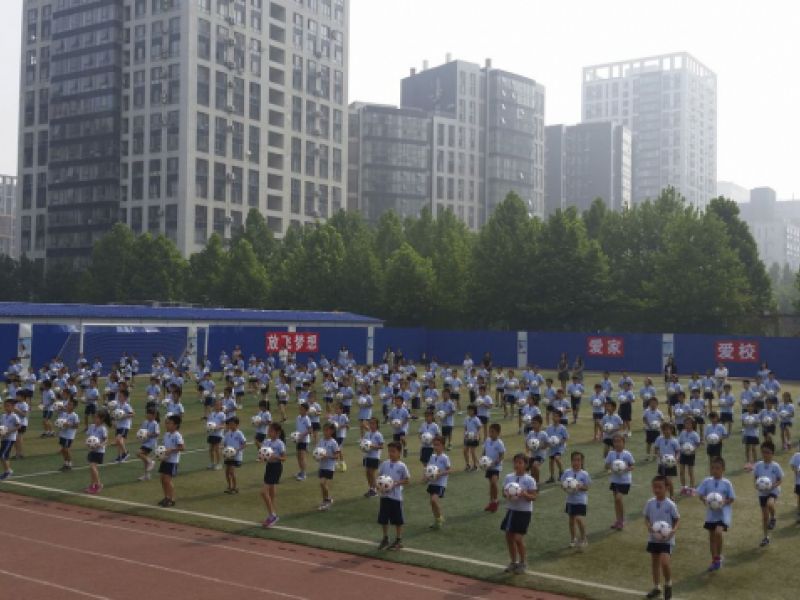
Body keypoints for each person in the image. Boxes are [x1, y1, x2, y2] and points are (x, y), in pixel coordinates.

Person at [500, 453, 538, 574]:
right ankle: (513, 562)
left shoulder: (529, 480)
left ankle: (523, 563)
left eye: (520, 463)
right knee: (509, 537)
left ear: (526, 465)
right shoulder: (508, 477)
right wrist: (507, 494)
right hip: (511, 510)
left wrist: (524, 494)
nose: (517, 465)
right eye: (515, 462)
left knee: (518, 538)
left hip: (524, 512)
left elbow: (534, 497)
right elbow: (503, 492)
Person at [643, 475, 680, 600]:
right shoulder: (650, 503)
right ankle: (656, 587)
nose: (657, 490)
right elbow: (646, 517)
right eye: (655, 487)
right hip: (653, 538)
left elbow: (677, 519)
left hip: (666, 539)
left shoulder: (670, 504)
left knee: (664, 562)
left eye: (660, 487)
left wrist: (674, 530)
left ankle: (668, 583)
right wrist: (648, 526)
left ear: (667, 488)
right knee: (655, 563)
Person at [696, 456, 735, 572]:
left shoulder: (727, 483)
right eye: (712, 468)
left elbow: (732, 498)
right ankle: (715, 560)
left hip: (723, 514)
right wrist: (704, 499)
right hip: (711, 515)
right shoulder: (707, 481)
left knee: (718, 532)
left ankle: (719, 555)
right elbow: (700, 494)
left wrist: (723, 502)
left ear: (723, 469)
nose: (715, 470)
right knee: (712, 538)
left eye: (717, 468)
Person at [376, 441, 410, 551]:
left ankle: (398, 540)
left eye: (393, 451)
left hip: (396, 497)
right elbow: (379, 477)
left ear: (399, 453)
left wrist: (395, 483)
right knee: (384, 519)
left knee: (397, 520)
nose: (391, 453)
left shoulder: (402, 466)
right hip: (385, 496)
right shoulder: (384, 464)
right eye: (389, 451)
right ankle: (385, 538)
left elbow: (407, 480)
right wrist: (379, 485)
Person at [753, 440, 783, 547]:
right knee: (765, 517)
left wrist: (772, 486)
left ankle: (773, 517)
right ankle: (766, 537)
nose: (765, 454)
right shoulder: (758, 465)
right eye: (763, 452)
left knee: (770, 504)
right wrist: (756, 485)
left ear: (772, 453)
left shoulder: (775, 466)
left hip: (773, 490)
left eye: (768, 452)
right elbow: (756, 478)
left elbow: (780, 479)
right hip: (762, 493)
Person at [561, 451, 591, 549]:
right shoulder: (567, 472)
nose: (576, 462)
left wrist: (580, 486)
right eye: (574, 460)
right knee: (571, 520)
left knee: (578, 518)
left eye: (578, 460)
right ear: (571, 461)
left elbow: (587, 487)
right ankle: (573, 539)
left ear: (582, 461)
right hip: (570, 500)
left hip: (581, 500)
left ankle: (584, 539)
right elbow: (562, 484)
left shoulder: (584, 474)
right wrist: (566, 487)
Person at [605, 434, 635, 530]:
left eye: (619, 441)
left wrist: (626, 468)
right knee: (616, 501)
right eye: (615, 442)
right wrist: (611, 467)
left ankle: (622, 520)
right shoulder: (611, 454)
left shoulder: (627, 454)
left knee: (618, 499)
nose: (617, 444)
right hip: (614, 480)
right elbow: (606, 465)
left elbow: (632, 466)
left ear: (623, 443)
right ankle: (618, 520)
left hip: (625, 480)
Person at [260, 422, 287, 528]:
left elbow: (284, 458)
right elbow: (262, 453)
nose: (269, 432)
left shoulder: (280, 443)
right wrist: (262, 457)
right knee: (271, 489)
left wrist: (275, 457)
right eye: (268, 430)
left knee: (263, 492)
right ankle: (272, 512)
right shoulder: (266, 441)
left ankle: (273, 515)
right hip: (269, 467)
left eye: (271, 431)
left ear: (277, 432)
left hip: (276, 467)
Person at [424, 435, 451, 530]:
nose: (435, 447)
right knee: (432, 504)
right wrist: (426, 477)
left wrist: (440, 474)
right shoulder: (432, 457)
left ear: (443, 446)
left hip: (440, 484)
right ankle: (437, 521)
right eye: (434, 445)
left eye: (438, 445)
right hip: (432, 483)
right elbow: (428, 469)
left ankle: (440, 517)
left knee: (433, 500)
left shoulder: (445, 458)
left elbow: (449, 470)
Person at [158, 414, 185, 507]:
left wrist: (171, 450)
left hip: (172, 461)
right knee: (162, 479)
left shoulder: (177, 435)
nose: (167, 425)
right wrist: (161, 454)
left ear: (175, 425)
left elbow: (182, 447)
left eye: (169, 423)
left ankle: (171, 499)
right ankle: (166, 497)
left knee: (167, 480)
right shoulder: (166, 434)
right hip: (165, 460)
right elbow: (163, 447)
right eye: (167, 423)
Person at [315, 423, 341, 511]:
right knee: (323, 485)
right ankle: (325, 500)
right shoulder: (321, 441)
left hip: (329, 467)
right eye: (324, 430)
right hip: (321, 466)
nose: (325, 432)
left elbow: (337, 456)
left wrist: (327, 456)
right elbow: (317, 452)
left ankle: (327, 501)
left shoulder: (333, 442)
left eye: (327, 430)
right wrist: (317, 457)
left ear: (332, 431)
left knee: (322, 483)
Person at [85, 409, 110, 494]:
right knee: (92, 468)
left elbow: (106, 440)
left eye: (96, 418)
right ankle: (92, 485)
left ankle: (99, 484)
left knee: (92, 466)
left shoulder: (103, 429)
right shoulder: (91, 426)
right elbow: (89, 437)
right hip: (92, 450)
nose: (94, 419)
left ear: (101, 419)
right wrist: (88, 443)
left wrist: (100, 445)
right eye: (94, 417)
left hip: (99, 451)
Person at [483, 422, 506, 512]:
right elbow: (484, 451)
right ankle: (491, 502)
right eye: (490, 431)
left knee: (494, 482)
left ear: (498, 433)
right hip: (488, 467)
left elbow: (502, 456)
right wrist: (483, 460)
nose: (490, 433)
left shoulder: (499, 443)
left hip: (496, 467)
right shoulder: (487, 440)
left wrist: (494, 463)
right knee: (491, 485)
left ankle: (496, 501)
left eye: (492, 432)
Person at [654, 423, 680, 500]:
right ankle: (662, 495)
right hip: (661, 463)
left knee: (668, 480)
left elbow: (678, 451)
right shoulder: (659, 439)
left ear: (671, 430)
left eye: (668, 429)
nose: (666, 431)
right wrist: (659, 455)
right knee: (661, 480)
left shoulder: (674, 441)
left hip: (671, 464)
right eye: (664, 430)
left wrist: (676, 459)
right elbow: (656, 448)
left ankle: (672, 495)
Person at [222, 416, 247, 494]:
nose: (230, 426)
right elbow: (225, 444)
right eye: (229, 424)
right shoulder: (227, 433)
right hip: (228, 456)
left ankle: (235, 488)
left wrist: (237, 450)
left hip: (236, 457)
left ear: (237, 425)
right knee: (227, 472)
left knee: (231, 472)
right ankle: (229, 486)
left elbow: (244, 444)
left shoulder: (239, 433)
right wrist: (225, 451)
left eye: (232, 424)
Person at [677, 417, 701, 496]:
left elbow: (698, 444)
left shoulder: (695, 434)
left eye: (689, 423)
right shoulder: (682, 433)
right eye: (686, 423)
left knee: (690, 472)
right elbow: (679, 443)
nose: (687, 425)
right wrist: (679, 454)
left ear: (692, 424)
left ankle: (692, 489)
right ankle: (683, 488)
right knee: (681, 472)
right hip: (683, 454)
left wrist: (693, 449)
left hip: (691, 455)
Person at [362, 417, 384, 497]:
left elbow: (381, 446)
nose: (371, 425)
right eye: (370, 423)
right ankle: (371, 488)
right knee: (367, 473)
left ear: (377, 425)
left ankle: (374, 490)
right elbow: (364, 443)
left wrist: (372, 446)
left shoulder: (378, 435)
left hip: (374, 456)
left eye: (373, 423)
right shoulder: (367, 433)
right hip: (367, 456)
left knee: (371, 473)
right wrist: (363, 446)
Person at [136, 407, 160, 481]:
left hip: (151, 443)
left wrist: (149, 434)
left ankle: (151, 462)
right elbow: (141, 431)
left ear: (154, 416)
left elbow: (157, 434)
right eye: (147, 414)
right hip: (145, 443)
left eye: (149, 414)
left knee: (139, 453)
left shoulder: (155, 423)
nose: (147, 415)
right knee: (144, 460)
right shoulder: (145, 422)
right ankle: (147, 475)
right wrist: (139, 435)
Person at [0, 398, 21, 480]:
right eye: (5, 406)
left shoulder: (14, 416)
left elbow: (18, 426)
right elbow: (1, 426)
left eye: (8, 406)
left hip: (10, 438)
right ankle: (8, 471)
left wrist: (8, 431)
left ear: (13, 407)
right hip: (4, 438)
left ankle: (8, 471)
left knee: (2, 455)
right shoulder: (3, 416)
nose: (6, 407)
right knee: (5, 455)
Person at [545, 411, 568, 483]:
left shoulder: (562, 428)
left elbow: (565, 438)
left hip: (560, 447)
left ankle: (561, 472)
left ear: (559, 418)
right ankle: (552, 477)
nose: (554, 417)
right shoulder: (549, 427)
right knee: (551, 461)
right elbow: (547, 438)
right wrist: (549, 443)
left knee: (557, 458)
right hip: (552, 447)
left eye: (556, 416)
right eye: (553, 416)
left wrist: (559, 442)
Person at [525, 415, 548, 483]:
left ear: (540, 424)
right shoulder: (531, 433)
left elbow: (547, 444)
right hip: (532, 455)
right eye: (532, 423)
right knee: (531, 470)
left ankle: (537, 482)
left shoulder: (544, 434)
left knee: (535, 466)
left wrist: (539, 446)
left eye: (535, 423)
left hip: (540, 455)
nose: (533, 425)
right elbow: (526, 443)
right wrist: (527, 452)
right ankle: (533, 482)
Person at [294, 403, 312, 481]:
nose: (300, 410)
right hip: (298, 440)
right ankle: (301, 471)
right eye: (300, 408)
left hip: (304, 441)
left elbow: (310, 430)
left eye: (302, 409)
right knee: (298, 456)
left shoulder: (307, 419)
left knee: (302, 457)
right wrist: (295, 436)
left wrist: (302, 435)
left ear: (306, 411)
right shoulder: (298, 417)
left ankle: (304, 474)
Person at [329, 401, 349, 472]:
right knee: (336, 449)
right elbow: (331, 424)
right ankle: (336, 463)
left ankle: (342, 463)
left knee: (338, 449)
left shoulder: (344, 416)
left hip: (341, 435)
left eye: (337, 409)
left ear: (341, 410)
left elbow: (347, 425)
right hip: (335, 435)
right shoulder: (334, 416)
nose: (336, 410)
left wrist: (340, 426)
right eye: (335, 408)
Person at [642, 396, 664, 461]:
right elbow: (644, 418)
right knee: (648, 442)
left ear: (657, 404)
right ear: (649, 404)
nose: (653, 404)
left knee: (656, 443)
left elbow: (662, 419)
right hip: (649, 430)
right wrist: (648, 425)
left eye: (654, 403)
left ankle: (655, 455)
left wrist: (659, 424)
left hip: (657, 430)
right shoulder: (646, 411)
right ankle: (647, 455)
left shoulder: (659, 412)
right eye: (651, 403)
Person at [206, 398, 226, 470]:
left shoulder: (222, 414)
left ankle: (219, 464)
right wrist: (208, 429)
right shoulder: (211, 414)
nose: (216, 406)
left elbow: (224, 425)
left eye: (218, 405)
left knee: (217, 449)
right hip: (211, 434)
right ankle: (212, 463)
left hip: (218, 434)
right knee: (211, 449)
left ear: (221, 406)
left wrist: (216, 427)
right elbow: (208, 424)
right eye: (215, 405)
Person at [463, 404, 482, 471]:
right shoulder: (466, 418)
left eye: (471, 410)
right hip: (467, 437)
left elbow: (479, 427)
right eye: (468, 410)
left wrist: (477, 435)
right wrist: (465, 434)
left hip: (474, 437)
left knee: (472, 451)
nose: (469, 411)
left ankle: (475, 465)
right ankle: (467, 464)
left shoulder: (476, 419)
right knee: (465, 450)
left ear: (474, 411)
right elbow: (465, 428)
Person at [790, 445, 800, 524]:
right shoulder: (796, 455)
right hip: (798, 482)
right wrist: (796, 470)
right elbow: (792, 465)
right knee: (799, 499)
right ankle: (799, 515)